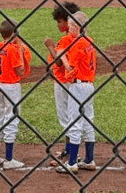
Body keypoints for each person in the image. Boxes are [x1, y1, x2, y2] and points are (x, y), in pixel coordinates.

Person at [51, 12, 98, 174]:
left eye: (71, 26)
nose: (68, 29)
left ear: (76, 27)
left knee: (74, 123)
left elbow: (70, 68)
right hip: (89, 85)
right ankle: (89, 159)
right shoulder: (89, 40)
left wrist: (62, 55)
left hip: (78, 86)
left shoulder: (77, 44)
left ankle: (71, 163)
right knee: (88, 121)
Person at [0, 19, 31, 169]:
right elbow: (20, 71)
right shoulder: (13, 49)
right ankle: (8, 159)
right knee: (11, 120)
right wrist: (20, 52)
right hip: (11, 87)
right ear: (14, 33)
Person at [46, 1, 81, 160]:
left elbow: (59, 62)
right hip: (71, 81)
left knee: (66, 118)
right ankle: (69, 150)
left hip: (63, 81)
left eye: (60, 21)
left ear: (69, 21)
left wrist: (50, 46)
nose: (58, 25)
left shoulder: (67, 39)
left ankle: (70, 152)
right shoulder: (78, 37)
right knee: (71, 116)